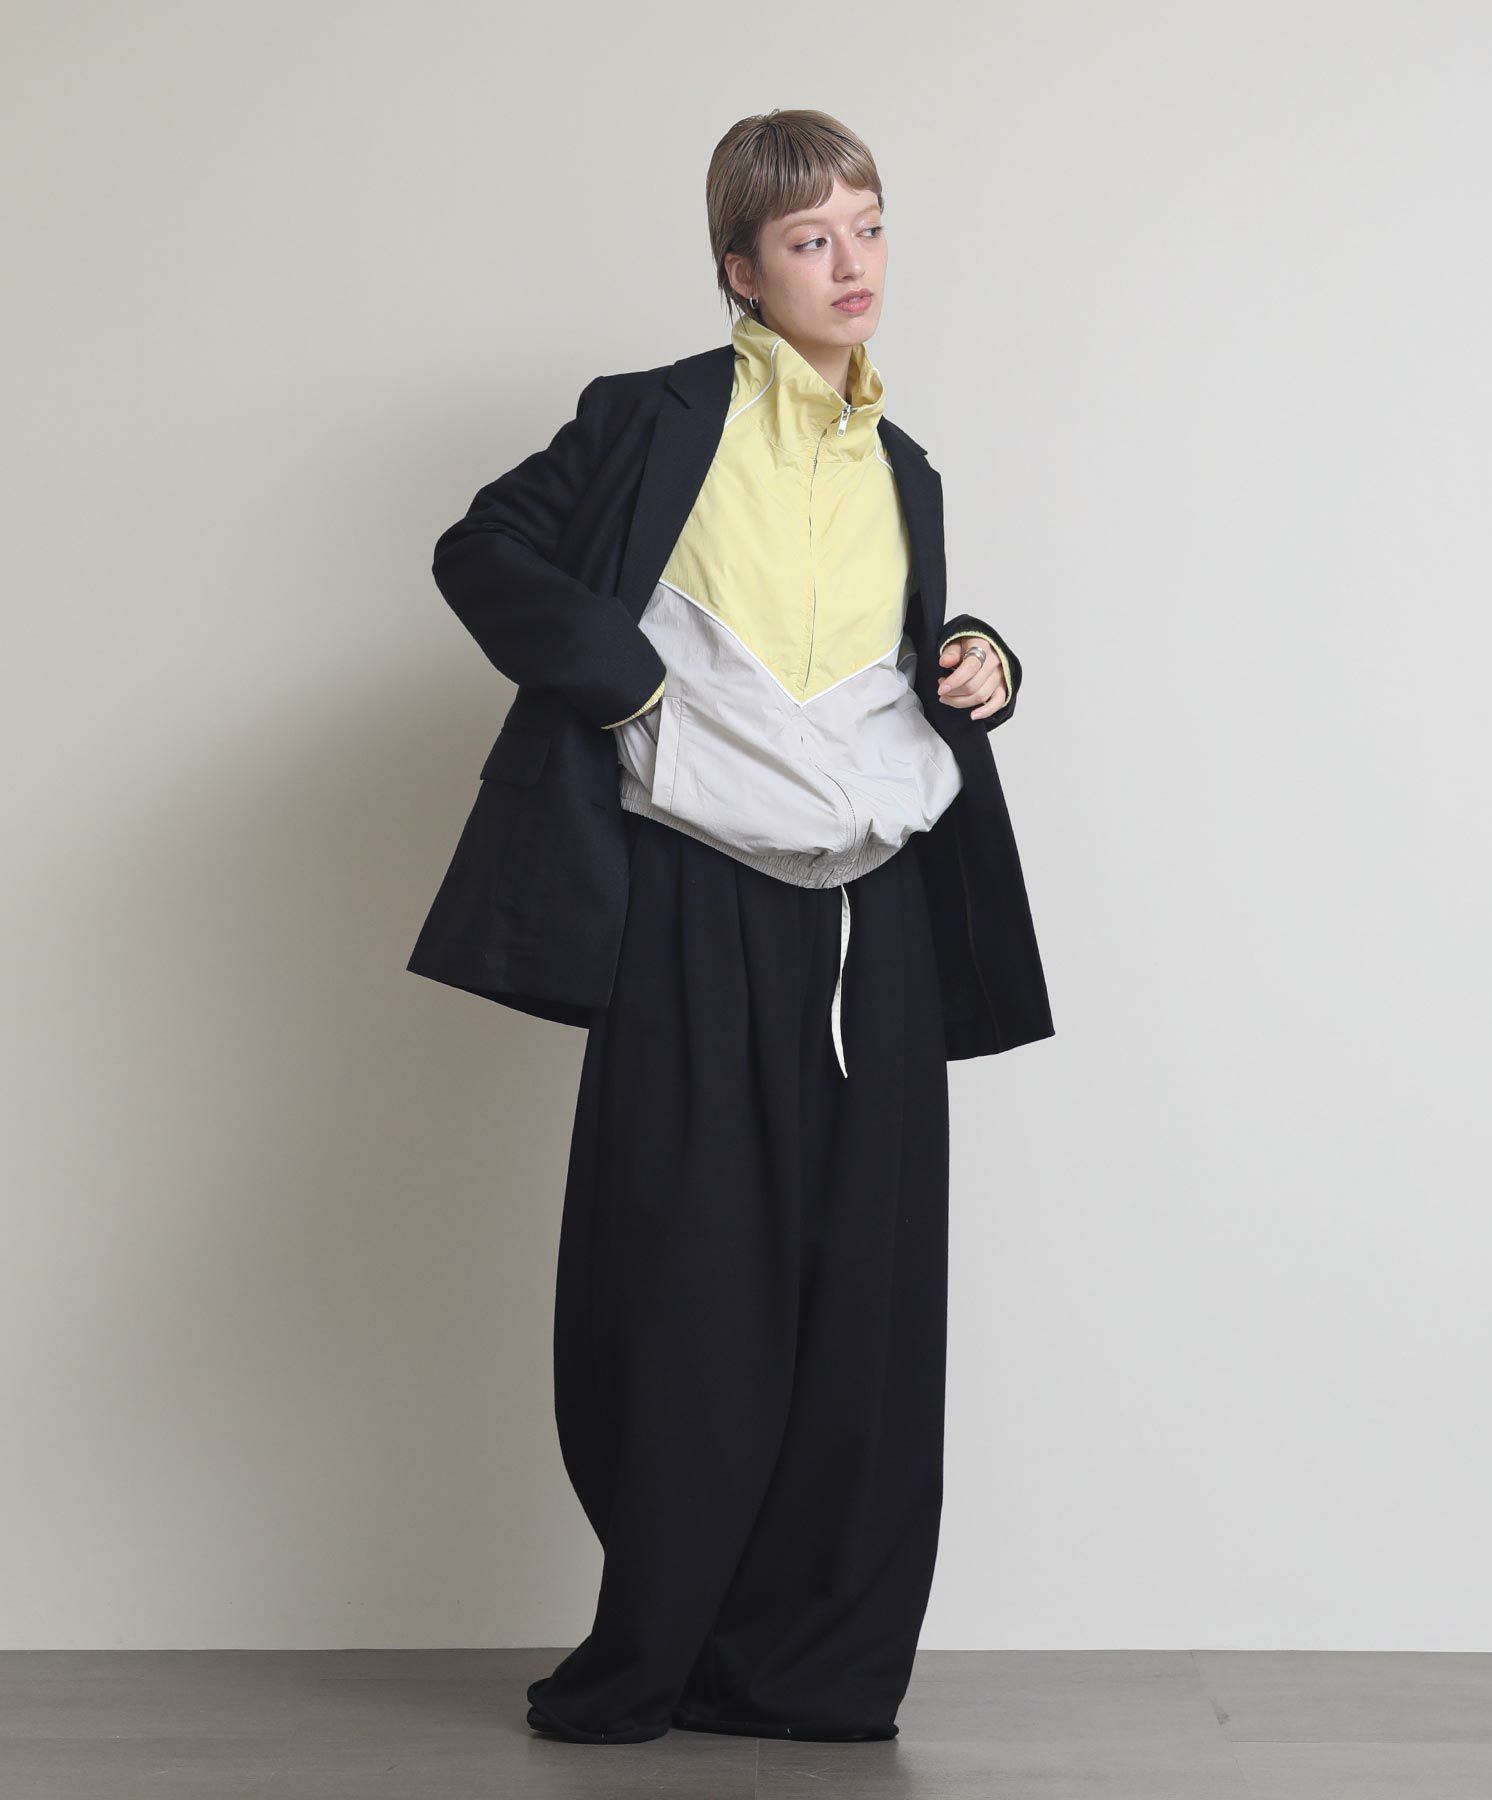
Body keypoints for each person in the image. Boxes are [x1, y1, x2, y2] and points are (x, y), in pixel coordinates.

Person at [410, 107, 1054, 1744]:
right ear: (741, 271)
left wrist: (981, 657)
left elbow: (888, 664)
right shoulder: (654, 417)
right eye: (811, 238)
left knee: (870, 1294)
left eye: (869, 226)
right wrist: (626, 685)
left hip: (880, 913)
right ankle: (668, 1646)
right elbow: (481, 549)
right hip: (692, 894)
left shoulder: (905, 464)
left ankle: (816, 1668)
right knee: (687, 1284)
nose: (852, 263)